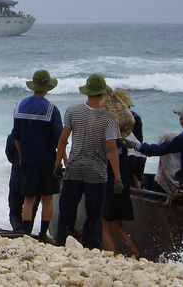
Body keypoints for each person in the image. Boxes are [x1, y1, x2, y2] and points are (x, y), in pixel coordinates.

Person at [54, 74, 123, 250]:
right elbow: (111, 147)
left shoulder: (73, 110)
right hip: (96, 171)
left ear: (88, 92)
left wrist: (57, 165)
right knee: (94, 214)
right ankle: (91, 247)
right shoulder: (109, 118)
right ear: (103, 93)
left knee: (67, 210)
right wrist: (117, 177)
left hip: (74, 167)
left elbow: (62, 141)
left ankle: (62, 243)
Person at [11, 69, 62, 243]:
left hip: (28, 160)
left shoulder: (20, 107)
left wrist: (21, 155)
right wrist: (61, 161)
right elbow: (59, 140)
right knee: (47, 198)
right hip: (47, 160)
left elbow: (16, 137)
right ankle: (43, 234)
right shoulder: (51, 109)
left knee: (28, 199)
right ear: (47, 88)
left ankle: (25, 232)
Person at [102, 138, 140, 257]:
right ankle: (137, 253)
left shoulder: (107, 143)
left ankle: (114, 256)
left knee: (104, 227)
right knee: (117, 226)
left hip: (109, 187)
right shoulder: (123, 144)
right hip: (123, 187)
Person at [5, 133, 39, 231]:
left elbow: (9, 156)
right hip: (35, 174)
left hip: (17, 173)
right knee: (32, 206)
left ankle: (18, 229)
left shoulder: (13, 135)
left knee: (15, 209)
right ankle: (27, 230)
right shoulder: (37, 135)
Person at [114, 89, 146, 188]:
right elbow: (139, 139)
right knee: (136, 180)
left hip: (127, 155)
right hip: (140, 154)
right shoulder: (136, 117)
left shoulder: (114, 118)